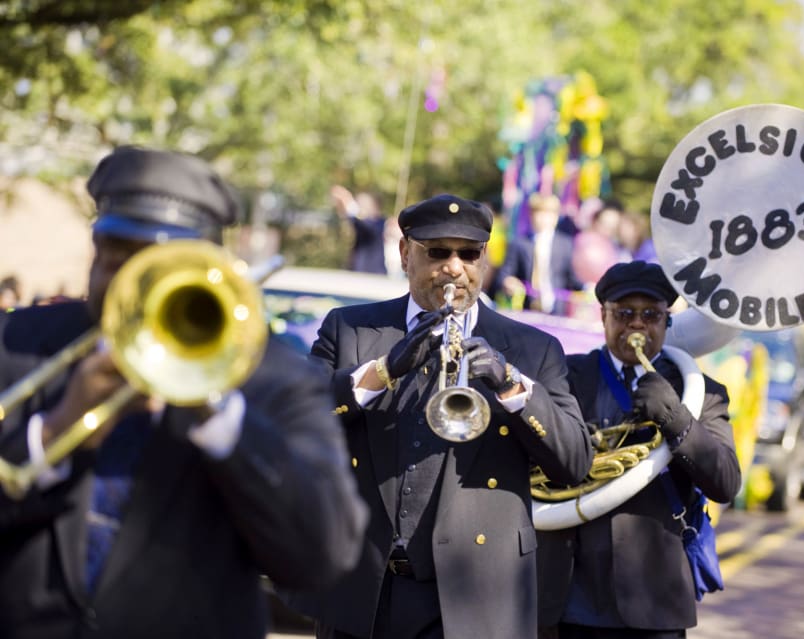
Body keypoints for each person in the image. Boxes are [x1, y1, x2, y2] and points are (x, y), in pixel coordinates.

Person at [0, 146, 369, 638]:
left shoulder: (276, 378)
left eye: (160, 267)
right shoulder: (16, 343)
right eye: (119, 259)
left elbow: (322, 555)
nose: (137, 284)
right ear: (95, 253)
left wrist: (221, 417)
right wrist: (51, 433)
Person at [286, 193, 593, 639]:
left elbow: (573, 463)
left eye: (468, 253)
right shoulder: (350, 328)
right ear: (405, 253)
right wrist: (383, 371)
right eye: (438, 252)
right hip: (364, 590)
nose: (454, 268)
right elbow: (298, 423)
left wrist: (511, 384)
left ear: (484, 259)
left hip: (476, 596)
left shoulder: (532, 348)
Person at [537, 260, 741, 639]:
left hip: (654, 600)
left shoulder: (702, 391)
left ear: (667, 322)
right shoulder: (564, 376)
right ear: (603, 317)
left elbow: (725, 483)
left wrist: (677, 418)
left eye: (651, 315)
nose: (636, 325)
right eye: (624, 313)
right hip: (570, 596)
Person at [494, 193, 584, 314]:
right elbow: (503, 275)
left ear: (556, 217)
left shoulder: (565, 245)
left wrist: (587, 288)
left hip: (556, 310)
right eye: (539, 213)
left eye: (549, 214)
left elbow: (572, 279)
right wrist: (508, 282)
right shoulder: (519, 243)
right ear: (531, 215)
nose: (544, 218)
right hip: (525, 308)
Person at [331, 184, 389, 274]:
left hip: (373, 276)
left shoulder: (379, 224)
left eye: (362, 204)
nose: (360, 208)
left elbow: (364, 224)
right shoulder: (362, 224)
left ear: (375, 206)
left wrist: (349, 202)